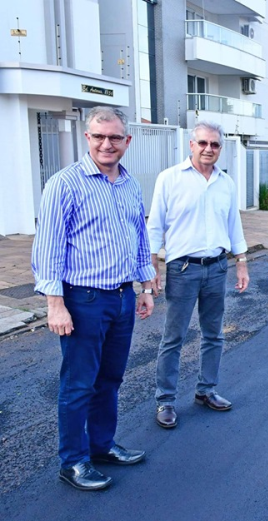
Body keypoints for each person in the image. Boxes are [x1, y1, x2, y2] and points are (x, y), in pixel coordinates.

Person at [31, 106, 155, 491]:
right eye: (99, 136)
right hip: (82, 300)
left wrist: (146, 285)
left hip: (121, 298)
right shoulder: (64, 184)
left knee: (111, 379)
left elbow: (139, 238)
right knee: (79, 384)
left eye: (115, 137)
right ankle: (73, 462)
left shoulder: (130, 184)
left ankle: (101, 446)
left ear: (126, 141)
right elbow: (47, 248)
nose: (107, 144)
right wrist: (55, 303)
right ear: (87, 138)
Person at [147, 121, 249, 429]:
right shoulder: (170, 179)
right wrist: (151, 265)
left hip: (217, 267)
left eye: (214, 144)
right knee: (173, 337)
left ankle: (206, 390)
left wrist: (241, 261)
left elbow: (234, 225)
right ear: (191, 145)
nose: (208, 149)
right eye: (202, 143)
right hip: (182, 269)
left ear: (220, 148)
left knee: (214, 334)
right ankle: (165, 400)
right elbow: (155, 226)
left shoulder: (226, 183)